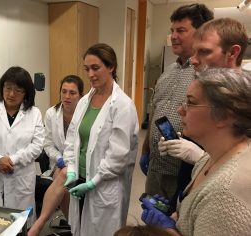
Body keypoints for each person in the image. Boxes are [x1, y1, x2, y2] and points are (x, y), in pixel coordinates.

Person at [141, 68, 251, 236]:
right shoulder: (209, 158)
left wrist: (167, 230)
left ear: (224, 116)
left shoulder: (225, 196)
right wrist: (178, 217)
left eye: (190, 103)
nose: (180, 110)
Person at [62, 43, 139, 236]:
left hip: (103, 184)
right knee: (79, 228)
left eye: (96, 68)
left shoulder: (122, 105)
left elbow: (118, 155)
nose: (90, 74)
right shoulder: (84, 101)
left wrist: (93, 182)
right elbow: (72, 138)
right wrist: (71, 170)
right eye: (87, 69)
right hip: (79, 179)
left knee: (101, 231)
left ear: (111, 66)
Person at [140, 4, 213, 203]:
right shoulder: (167, 71)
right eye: (172, 30)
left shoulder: (207, 74)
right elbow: (155, 110)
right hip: (156, 166)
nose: (173, 36)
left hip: (184, 171)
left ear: (200, 33)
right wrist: (146, 147)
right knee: (152, 221)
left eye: (181, 31)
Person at [158, 18, 249, 165]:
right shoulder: (203, 89)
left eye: (204, 52)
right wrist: (179, 142)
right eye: (194, 52)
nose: (193, 60)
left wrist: (201, 157)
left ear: (232, 53)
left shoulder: (246, 100)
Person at [0, 66, 44, 226]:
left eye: (18, 90)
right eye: (8, 88)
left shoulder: (34, 113)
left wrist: (12, 160)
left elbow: (37, 146)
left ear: (26, 92)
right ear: (2, 88)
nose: (11, 94)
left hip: (21, 179)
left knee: (20, 226)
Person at [28, 75, 84, 236]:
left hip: (80, 164)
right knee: (65, 178)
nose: (67, 96)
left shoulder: (85, 115)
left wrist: (68, 163)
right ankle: (74, 228)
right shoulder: (52, 113)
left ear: (81, 95)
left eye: (72, 93)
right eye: (64, 91)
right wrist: (59, 159)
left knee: (66, 176)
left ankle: (40, 223)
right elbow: (47, 143)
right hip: (58, 163)